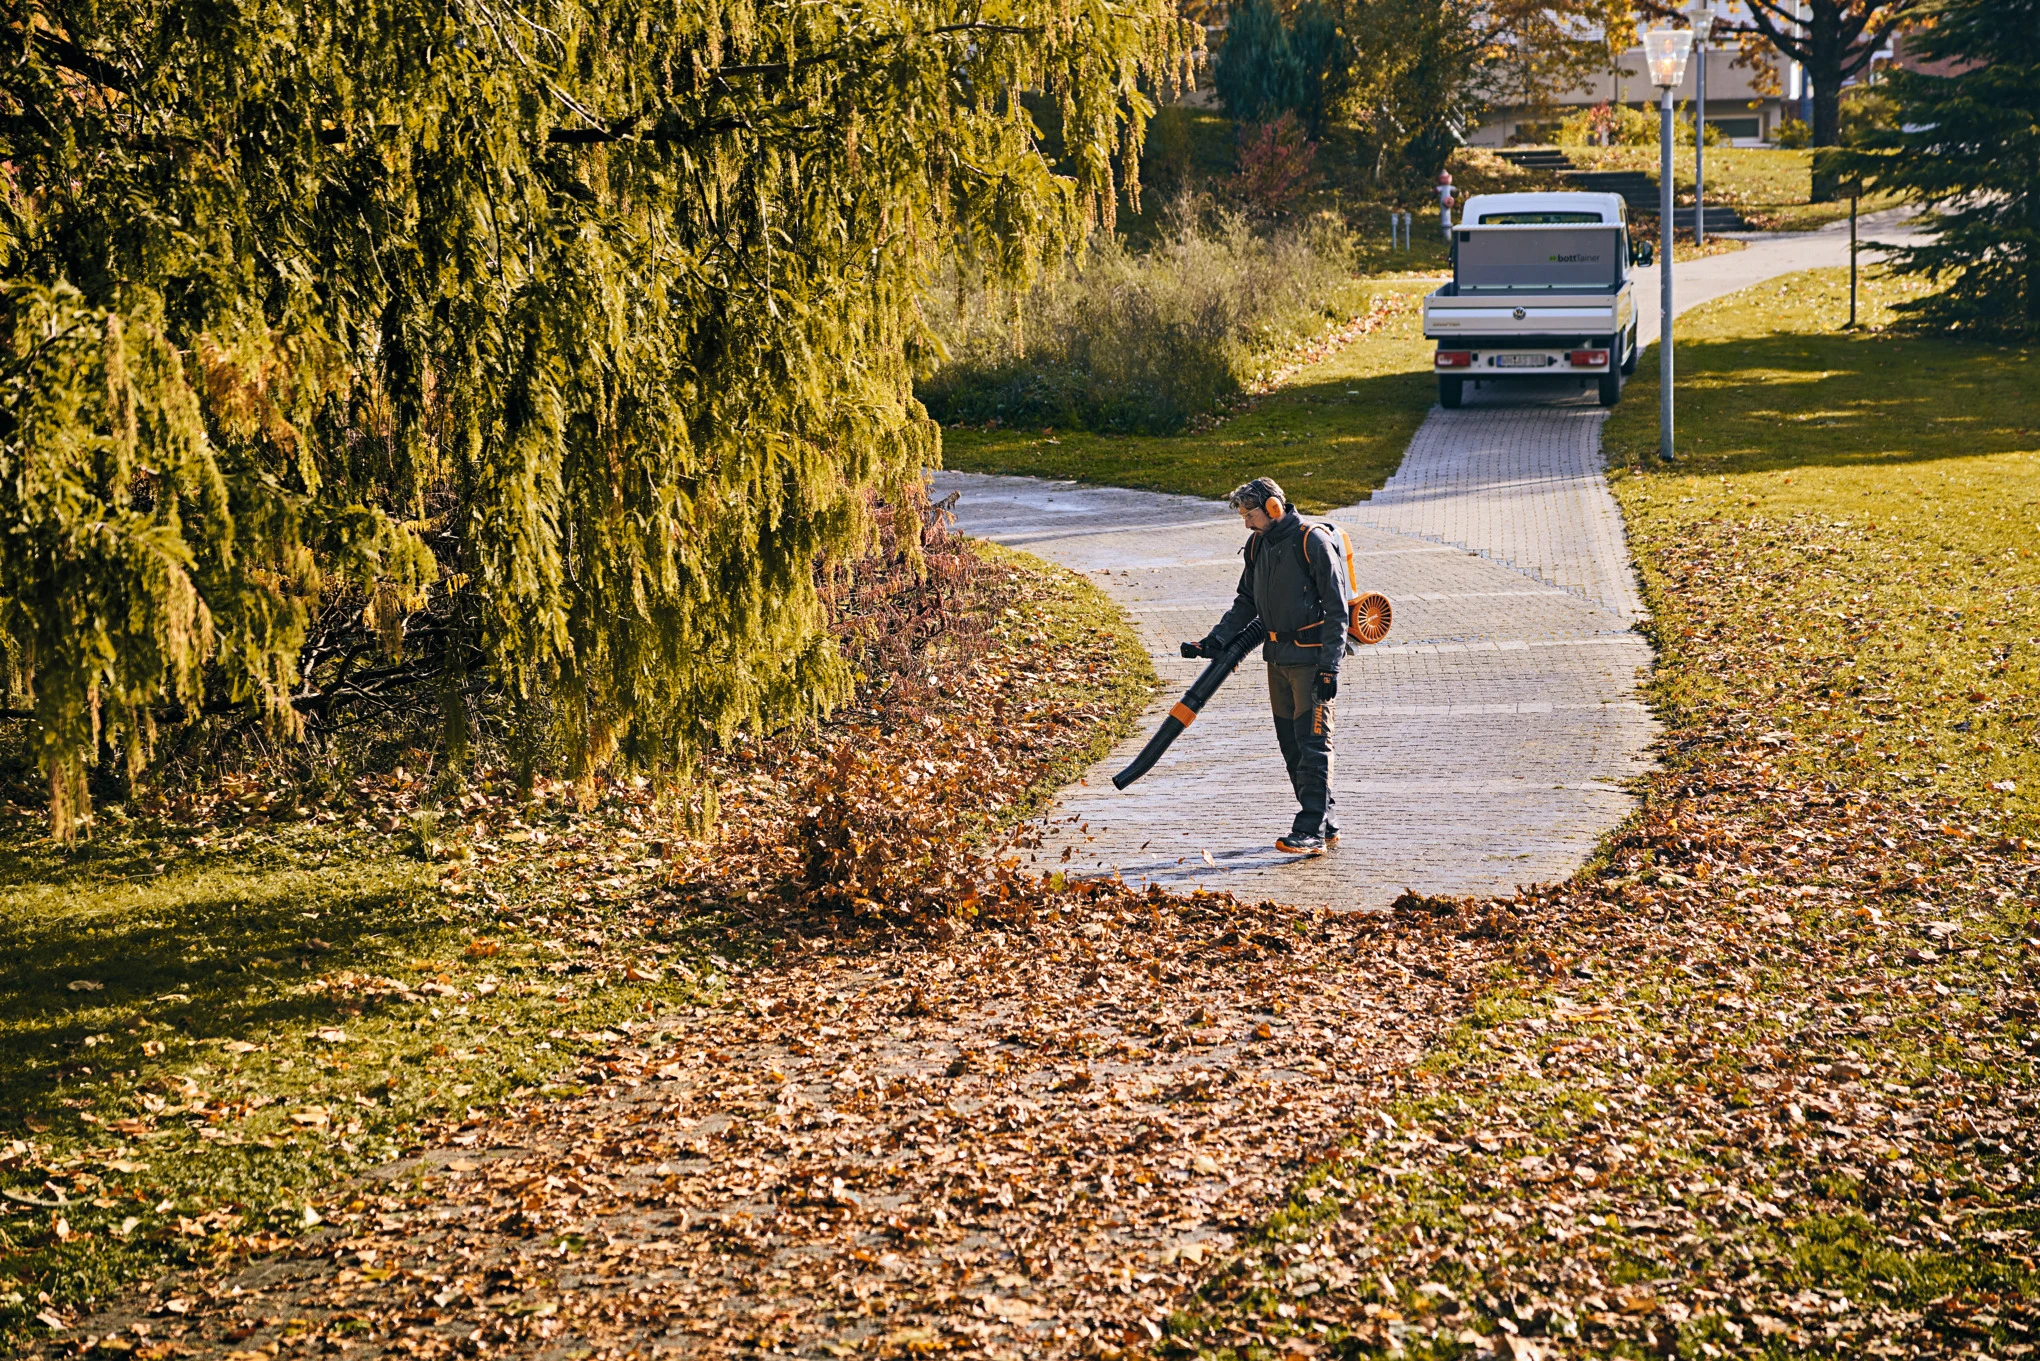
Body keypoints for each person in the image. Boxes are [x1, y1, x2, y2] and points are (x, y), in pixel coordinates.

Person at [1182, 477, 1349, 857]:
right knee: (1292, 746)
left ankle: (1309, 830)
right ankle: (1326, 824)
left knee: (1314, 745)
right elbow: (1246, 601)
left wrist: (1330, 668)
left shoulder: (1313, 541)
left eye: (1250, 515)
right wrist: (1216, 640)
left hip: (1311, 661)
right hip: (1276, 660)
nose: (1246, 524)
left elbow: (1338, 610)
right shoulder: (1258, 544)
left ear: (1274, 507)